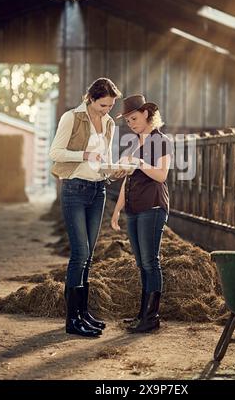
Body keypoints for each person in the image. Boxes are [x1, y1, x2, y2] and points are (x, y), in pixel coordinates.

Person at [49, 78, 126, 337]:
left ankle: (83, 314)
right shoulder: (71, 118)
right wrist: (83, 155)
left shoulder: (109, 123)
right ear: (91, 99)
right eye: (104, 105)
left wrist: (115, 170)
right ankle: (72, 321)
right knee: (79, 253)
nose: (108, 110)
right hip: (74, 190)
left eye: (111, 106)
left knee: (89, 255)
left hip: (98, 189)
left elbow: (107, 158)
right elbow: (55, 153)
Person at [111, 94, 173, 333]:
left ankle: (151, 317)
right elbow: (128, 182)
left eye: (134, 118)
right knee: (141, 263)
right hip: (134, 210)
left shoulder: (161, 141)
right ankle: (142, 315)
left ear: (147, 114)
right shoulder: (136, 144)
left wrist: (137, 163)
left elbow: (161, 176)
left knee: (150, 262)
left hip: (153, 207)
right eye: (127, 121)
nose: (131, 123)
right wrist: (117, 211)